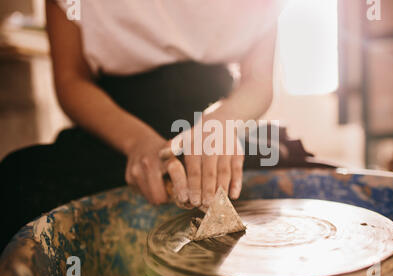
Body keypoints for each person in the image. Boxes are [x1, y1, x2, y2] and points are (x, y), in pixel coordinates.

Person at [0, 0, 285, 251]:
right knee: (19, 185)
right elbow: (71, 80)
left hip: (215, 123)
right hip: (116, 127)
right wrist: (137, 143)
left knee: (286, 175)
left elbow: (258, 79)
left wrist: (223, 122)